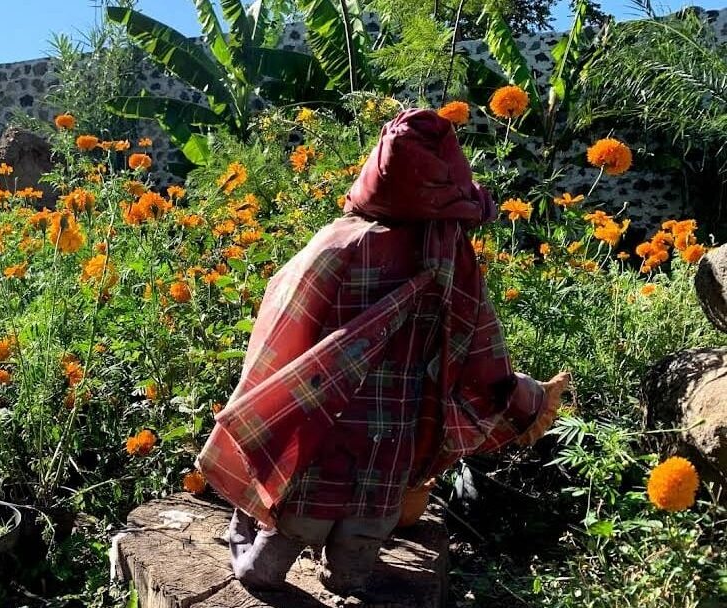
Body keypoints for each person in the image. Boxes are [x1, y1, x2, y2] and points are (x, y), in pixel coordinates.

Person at [196, 109, 571, 596]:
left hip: (323, 411)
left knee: (306, 499)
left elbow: (283, 315)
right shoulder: (448, 250)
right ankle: (348, 572)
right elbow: (477, 338)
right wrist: (518, 395)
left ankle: (264, 566)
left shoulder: (339, 240)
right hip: (395, 424)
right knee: (370, 510)